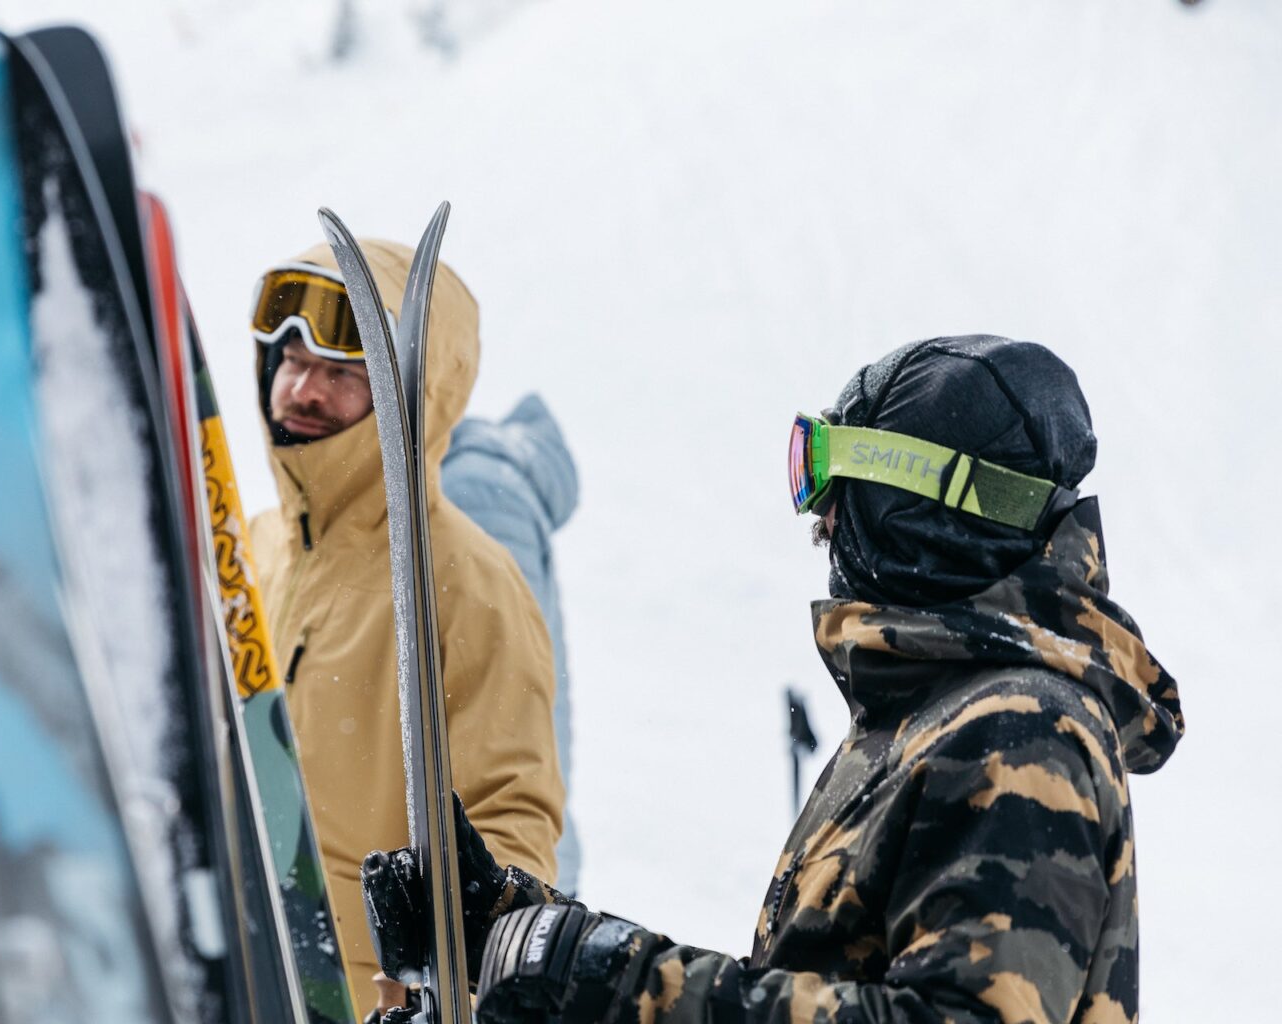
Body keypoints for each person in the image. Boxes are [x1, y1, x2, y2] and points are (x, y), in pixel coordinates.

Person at [363, 336, 1185, 1024]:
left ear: (921, 509)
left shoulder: (1021, 732)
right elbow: (817, 990)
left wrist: (603, 982)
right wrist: (512, 938)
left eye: (835, 482)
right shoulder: (933, 723)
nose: (819, 519)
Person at [246, 243, 566, 1019]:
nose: (304, 389)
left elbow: (509, 818)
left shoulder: (466, 583)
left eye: (344, 372)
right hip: (236, 973)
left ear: (413, 398)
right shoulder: (249, 549)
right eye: (291, 357)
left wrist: (455, 980)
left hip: (365, 1004)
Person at [443, 395, 583, 894]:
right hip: (523, 842)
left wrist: (499, 895)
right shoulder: (484, 482)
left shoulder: (477, 490)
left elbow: (499, 698)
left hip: (494, 858)